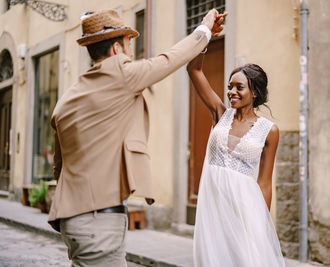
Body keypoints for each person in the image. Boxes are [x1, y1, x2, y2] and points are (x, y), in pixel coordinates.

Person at [48, 9, 225, 266]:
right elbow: (169, 60)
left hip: (75, 222)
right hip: (99, 222)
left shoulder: (68, 98)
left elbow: (59, 167)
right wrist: (205, 29)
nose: (132, 53)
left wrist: (76, 232)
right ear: (117, 48)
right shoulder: (121, 75)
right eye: (130, 45)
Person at [187, 47, 286, 266]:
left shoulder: (269, 131)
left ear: (255, 93)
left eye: (239, 87)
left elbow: (265, 183)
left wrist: (260, 224)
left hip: (244, 210)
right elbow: (194, 70)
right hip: (213, 206)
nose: (231, 91)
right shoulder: (220, 114)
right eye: (229, 86)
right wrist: (205, 39)